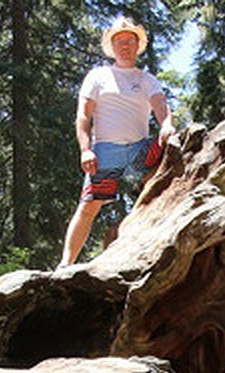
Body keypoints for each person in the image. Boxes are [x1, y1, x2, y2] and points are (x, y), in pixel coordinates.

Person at [60, 16, 175, 266]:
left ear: (137, 45)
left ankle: (156, 255)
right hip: (106, 150)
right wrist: (85, 150)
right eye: (119, 41)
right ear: (111, 47)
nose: (125, 46)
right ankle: (65, 264)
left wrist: (167, 125)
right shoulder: (98, 76)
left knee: (159, 189)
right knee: (90, 206)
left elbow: (161, 106)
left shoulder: (147, 80)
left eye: (130, 41)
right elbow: (83, 115)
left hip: (139, 149)